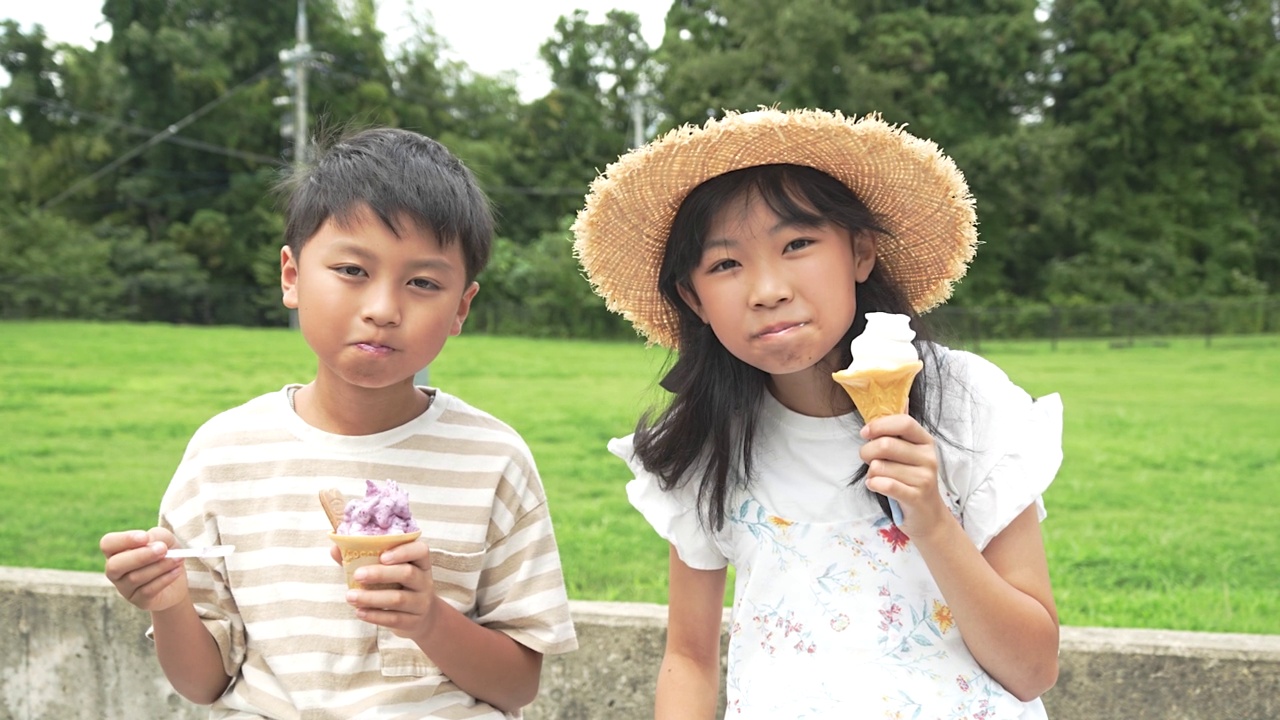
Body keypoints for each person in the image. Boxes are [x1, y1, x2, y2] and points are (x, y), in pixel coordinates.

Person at [572, 108, 1063, 718]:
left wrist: (933, 520)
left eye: (797, 244)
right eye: (726, 264)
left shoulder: (963, 404)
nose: (767, 288)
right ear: (693, 299)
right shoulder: (703, 445)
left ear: (861, 253)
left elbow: (1034, 669)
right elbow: (691, 661)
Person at [100, 127, 578, 719]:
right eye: (352, 270)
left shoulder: (492, 459)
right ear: (292, 276)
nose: (382, 308)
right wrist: (167, 603)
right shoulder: (222, 455)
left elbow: (517, 685)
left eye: (423, 283)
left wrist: (428, 619)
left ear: (461, 307)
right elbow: (202, 683)